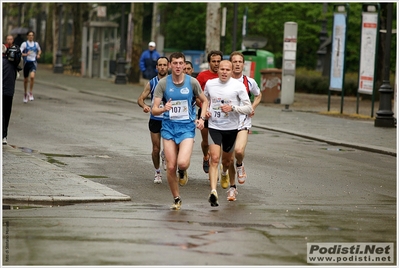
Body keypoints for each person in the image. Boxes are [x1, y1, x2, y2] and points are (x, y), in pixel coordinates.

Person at [152, 52, 208, 210]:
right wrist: (164, 108)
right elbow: (154, 110)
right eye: (174, 63)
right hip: (169, 127)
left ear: (184, 65)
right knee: (170, 166)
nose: (177, 66)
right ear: (170, 65)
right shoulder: (163, 83)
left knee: (181, 163)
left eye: (180, 63)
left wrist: (202, 119)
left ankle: (182, 171)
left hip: (186, 127)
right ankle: (176, 198)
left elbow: (205, 101)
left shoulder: (192, 82)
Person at [203, 60, 252, 207]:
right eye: (222, 69)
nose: (224, 72)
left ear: (231, 72)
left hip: (231, 128)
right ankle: (213, 191)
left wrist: (233, 108)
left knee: (227, 161)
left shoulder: (238, 86)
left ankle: (225, 172)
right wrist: (205, 111)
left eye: (227, 70)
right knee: (215, 159)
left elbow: (248, 108)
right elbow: (204, 100)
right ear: (217, 70)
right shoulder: (210, 84)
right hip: (214, 126)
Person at [226, 51, 262, 201]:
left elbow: (258, 95)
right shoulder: (224, 81)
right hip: (226, 122)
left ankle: (240, 164)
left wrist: (252, 107)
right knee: (227, 159)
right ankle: (232, 188)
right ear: (230, 64)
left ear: (243, 64)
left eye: (240, 61)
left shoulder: (249, 82)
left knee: (239, 151)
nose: (237, 64)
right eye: (234, 61)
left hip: (243, 121)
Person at [137, 56, 169, 184]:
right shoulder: (152, 82)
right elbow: (140, 99)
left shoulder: (173, 82)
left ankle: (165, 154)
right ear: (156, 67)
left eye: (164, 65)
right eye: (159, 65)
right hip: (155, 119)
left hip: (169, 119)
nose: (162, 67)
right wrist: (145, 106)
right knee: (155, 148)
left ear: (168, 67)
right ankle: (157, 172)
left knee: (168, 148)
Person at [195, 50, 223, 174]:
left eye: (218, 61)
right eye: (214, 61)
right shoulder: (202, 76)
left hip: (221, 114)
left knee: (217, 143)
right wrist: (204, 108)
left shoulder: (225, 75)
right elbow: (196, 97)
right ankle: (206, 157)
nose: (216, 64)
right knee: (206, 142)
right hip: (205, 113)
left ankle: (214, 165)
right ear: (209, 62)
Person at [3, 44, 22, 145]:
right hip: (9, 92)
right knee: (6, 113)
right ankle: (4, 136)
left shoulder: (3, 62)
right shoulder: (14, 66)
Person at [20, 31, 41, 103]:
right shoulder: (24, 44)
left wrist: (38, 55)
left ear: (33, 36)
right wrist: (25, 54)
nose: (31, 36)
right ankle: (25, 93)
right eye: (29, 35)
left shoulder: (36, 44)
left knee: (32, 77)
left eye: (32, 35)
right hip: (26, 63)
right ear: (27, 36)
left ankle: (30, 92)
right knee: (26, 79)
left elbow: (39, 50)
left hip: (33, 62)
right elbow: (19, 52)